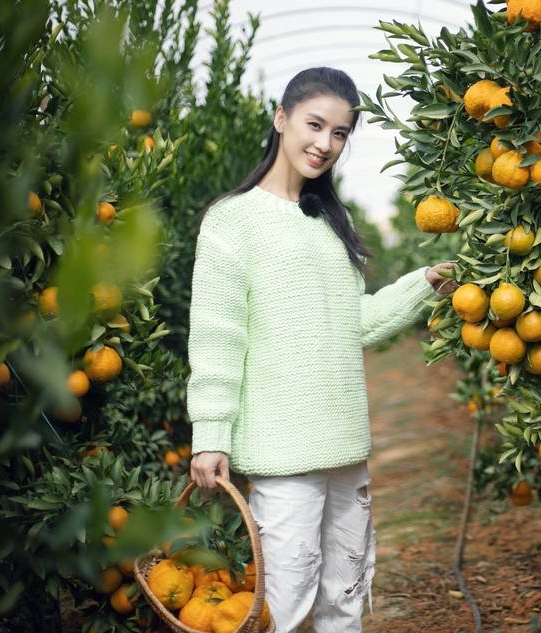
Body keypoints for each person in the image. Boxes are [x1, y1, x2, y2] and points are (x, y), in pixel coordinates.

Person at [187, 66, 458, 633]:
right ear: (281, 118)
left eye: (340, 134)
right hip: (283, 451)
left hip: (345, 443)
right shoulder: (231, 222)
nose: (325, 144)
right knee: (287, 607)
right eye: (315, 124)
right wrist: (210, 436)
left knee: (346, 597)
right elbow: (217, 336)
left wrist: (422, 283)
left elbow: (350, 324)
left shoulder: (330, 223)